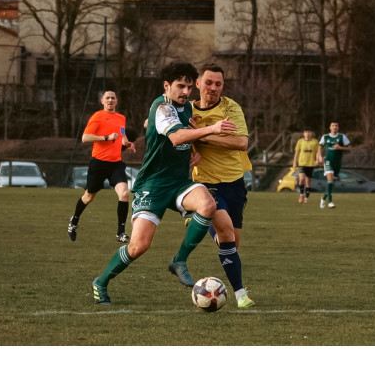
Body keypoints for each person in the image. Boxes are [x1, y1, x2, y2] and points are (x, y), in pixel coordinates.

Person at [91, 62, 238, 305]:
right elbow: (176, 136)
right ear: (166, 85)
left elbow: (163, 128)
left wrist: (194, 150)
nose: (186, 92)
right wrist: (212, 129)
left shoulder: (184, 107)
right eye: (180, 86)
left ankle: (179, 261)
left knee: (207, 204)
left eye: (189, 87)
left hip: (180, 182)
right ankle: (101, 281)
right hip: (153, 185)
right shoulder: (162, 107)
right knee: (138, 246)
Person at [190, 62, 255, 308]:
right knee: (225, 231)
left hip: (235, 182)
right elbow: (160, 125)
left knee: (230, 244)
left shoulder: (230, 107)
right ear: (198, 83)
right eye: (208, 82)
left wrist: (203, 134)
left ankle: (199, 219)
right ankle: (241, 295)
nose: (213, 88)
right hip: (206, 183)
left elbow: (240, 143)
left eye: (218, 84)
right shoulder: (186, 109)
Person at [67, 90, 136, 243]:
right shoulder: (97, 116)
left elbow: (122, 134)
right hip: (98, 164)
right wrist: (106, 137)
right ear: (102, 101)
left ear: (116, 101)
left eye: (113, 98)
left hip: (116, 164)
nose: (110, 100)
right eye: (107, 98)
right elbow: (85, 138)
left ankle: (120, 233)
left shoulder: (121, 118)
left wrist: (126, 143)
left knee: (124, 193)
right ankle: (74, 221)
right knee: (88, 197)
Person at [317, 121, 351, 209]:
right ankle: (330, 202)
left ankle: (323, 198)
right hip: (328, 161)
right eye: (333, 125)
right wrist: (319, 156)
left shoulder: (342, 137)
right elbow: (320, 147)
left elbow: (349, 148)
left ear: (338, 128)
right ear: (330, 127)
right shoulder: (325, 137)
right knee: (330, 178)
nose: (334, 127)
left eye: (336, 125)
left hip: (337, 162)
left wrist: (340, 148)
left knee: (331, 182)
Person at [293, 129, 320, 204]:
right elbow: (297, 153)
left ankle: (307, 197)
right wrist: (294, 162)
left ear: (311, 133)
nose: (307, 134)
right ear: (303, 134)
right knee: (301, 179)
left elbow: (318, 152)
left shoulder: (315, 142)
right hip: (302, 163)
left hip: (311, 164)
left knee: (308, 181)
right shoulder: (300, 141)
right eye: (306, 132)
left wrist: (317, 160)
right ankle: (301, 194)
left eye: (309, 132)